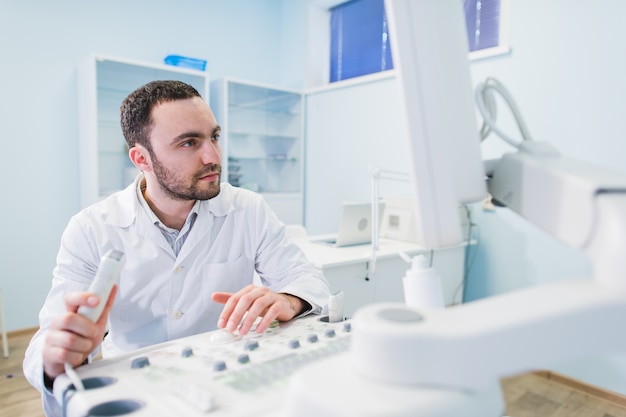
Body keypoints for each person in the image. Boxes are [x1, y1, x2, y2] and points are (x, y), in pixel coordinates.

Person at [23, 80, 331, 416]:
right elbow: (47, 341)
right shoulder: (91, 228)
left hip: (225, 375)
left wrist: (288, 299)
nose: (213, 156)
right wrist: (59, 355)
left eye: (214, 136)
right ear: (142, 158)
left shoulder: (248, 208)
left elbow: (306, 278)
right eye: (188, 143)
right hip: (136, 388)